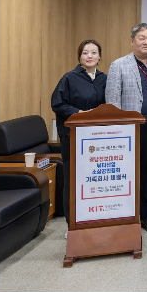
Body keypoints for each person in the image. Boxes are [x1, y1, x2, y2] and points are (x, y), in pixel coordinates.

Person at [105, 23, 147, 234]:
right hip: (128, 129)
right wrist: (116, 131)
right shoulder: (118, 65)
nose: (146, 41)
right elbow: (112, 102)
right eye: (142, 38)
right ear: (132, 41)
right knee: (127, 173)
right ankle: (125, 215)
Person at [51, 39, 107, 237]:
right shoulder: (69, 78)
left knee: (94, 181)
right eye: (85, 53)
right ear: (80, 57)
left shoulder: (104, 79)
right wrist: (80, 113)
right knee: (74, 182)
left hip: (98, 140)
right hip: (74, 138)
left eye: (93, 52)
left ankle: (95, 220)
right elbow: (57, 104)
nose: (89, 56)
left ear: (100, 57)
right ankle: (72, 225)